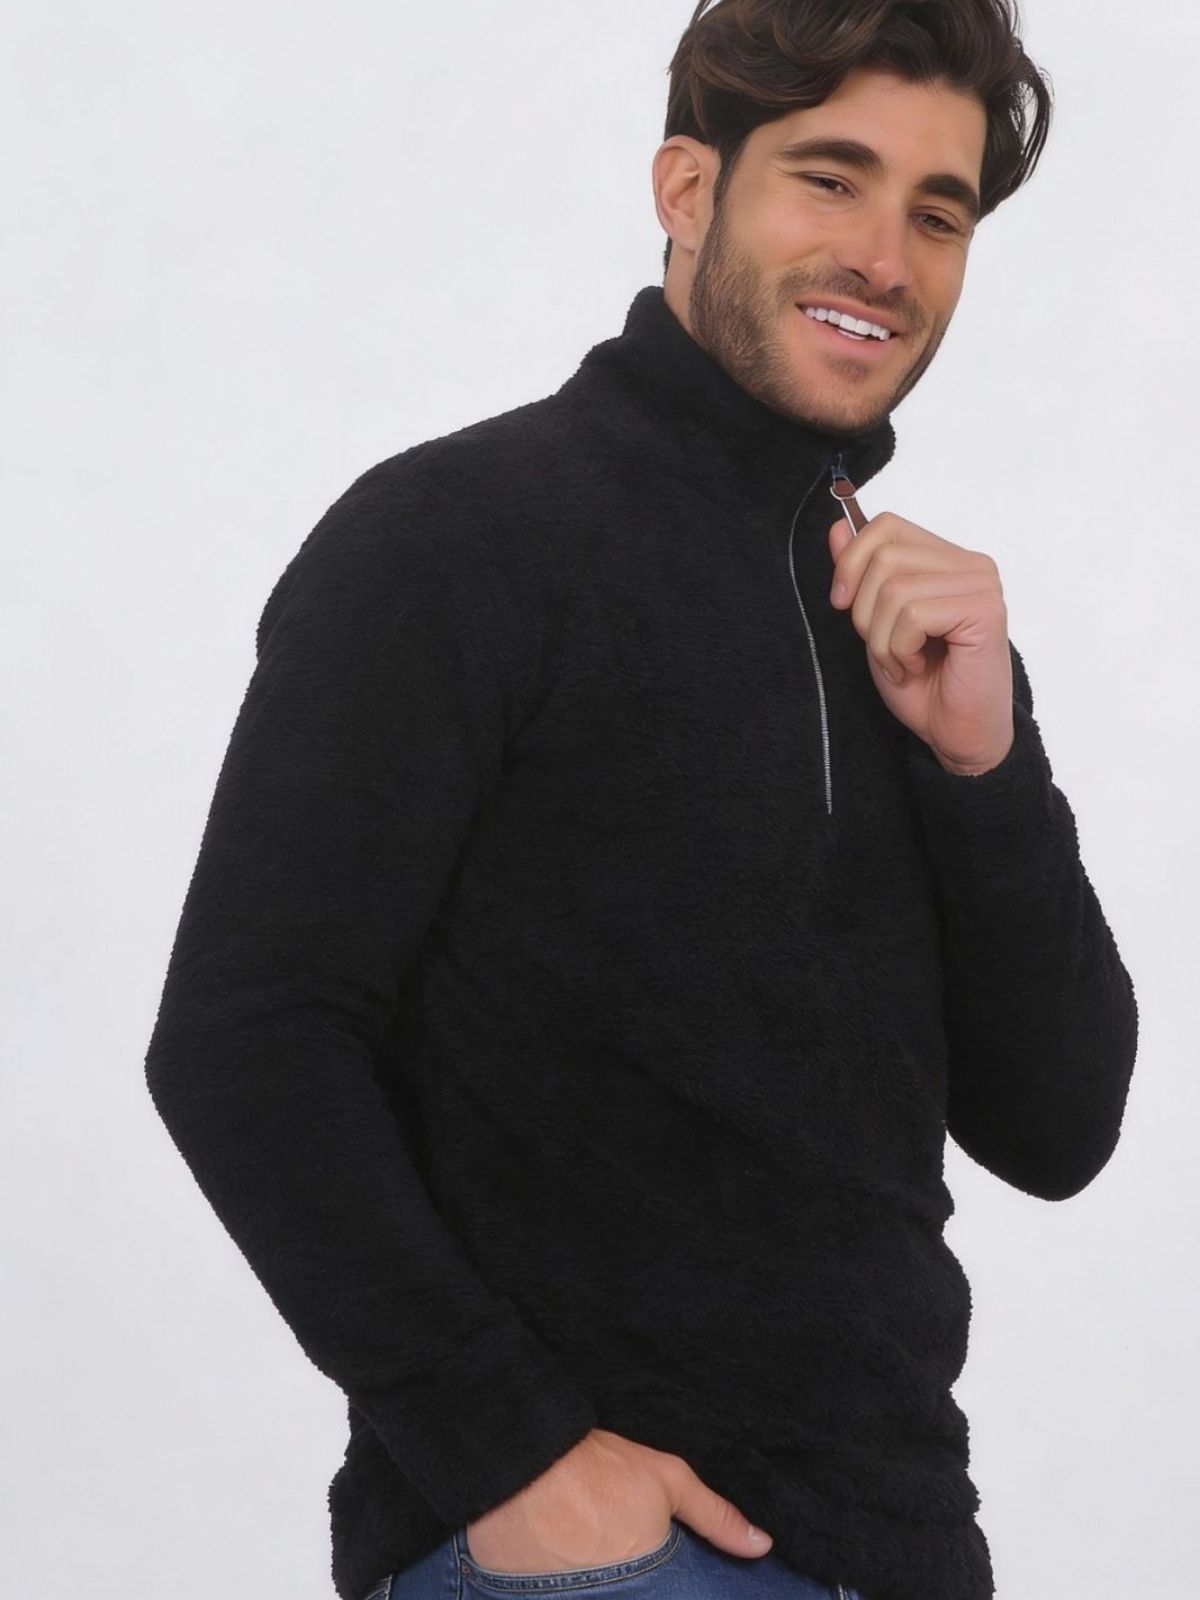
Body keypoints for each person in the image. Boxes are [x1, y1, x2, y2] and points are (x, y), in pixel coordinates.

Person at [143, 3, 1138, 1598]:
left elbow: (1059, 1126)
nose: (885, 257)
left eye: (938, 213)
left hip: (903, 1544)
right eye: (831, 179)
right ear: (689, 188)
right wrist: (512, 1459)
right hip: (597, 1559)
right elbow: (247, 1033)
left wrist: (984, 764)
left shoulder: (902, 620)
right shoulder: (457, 537)